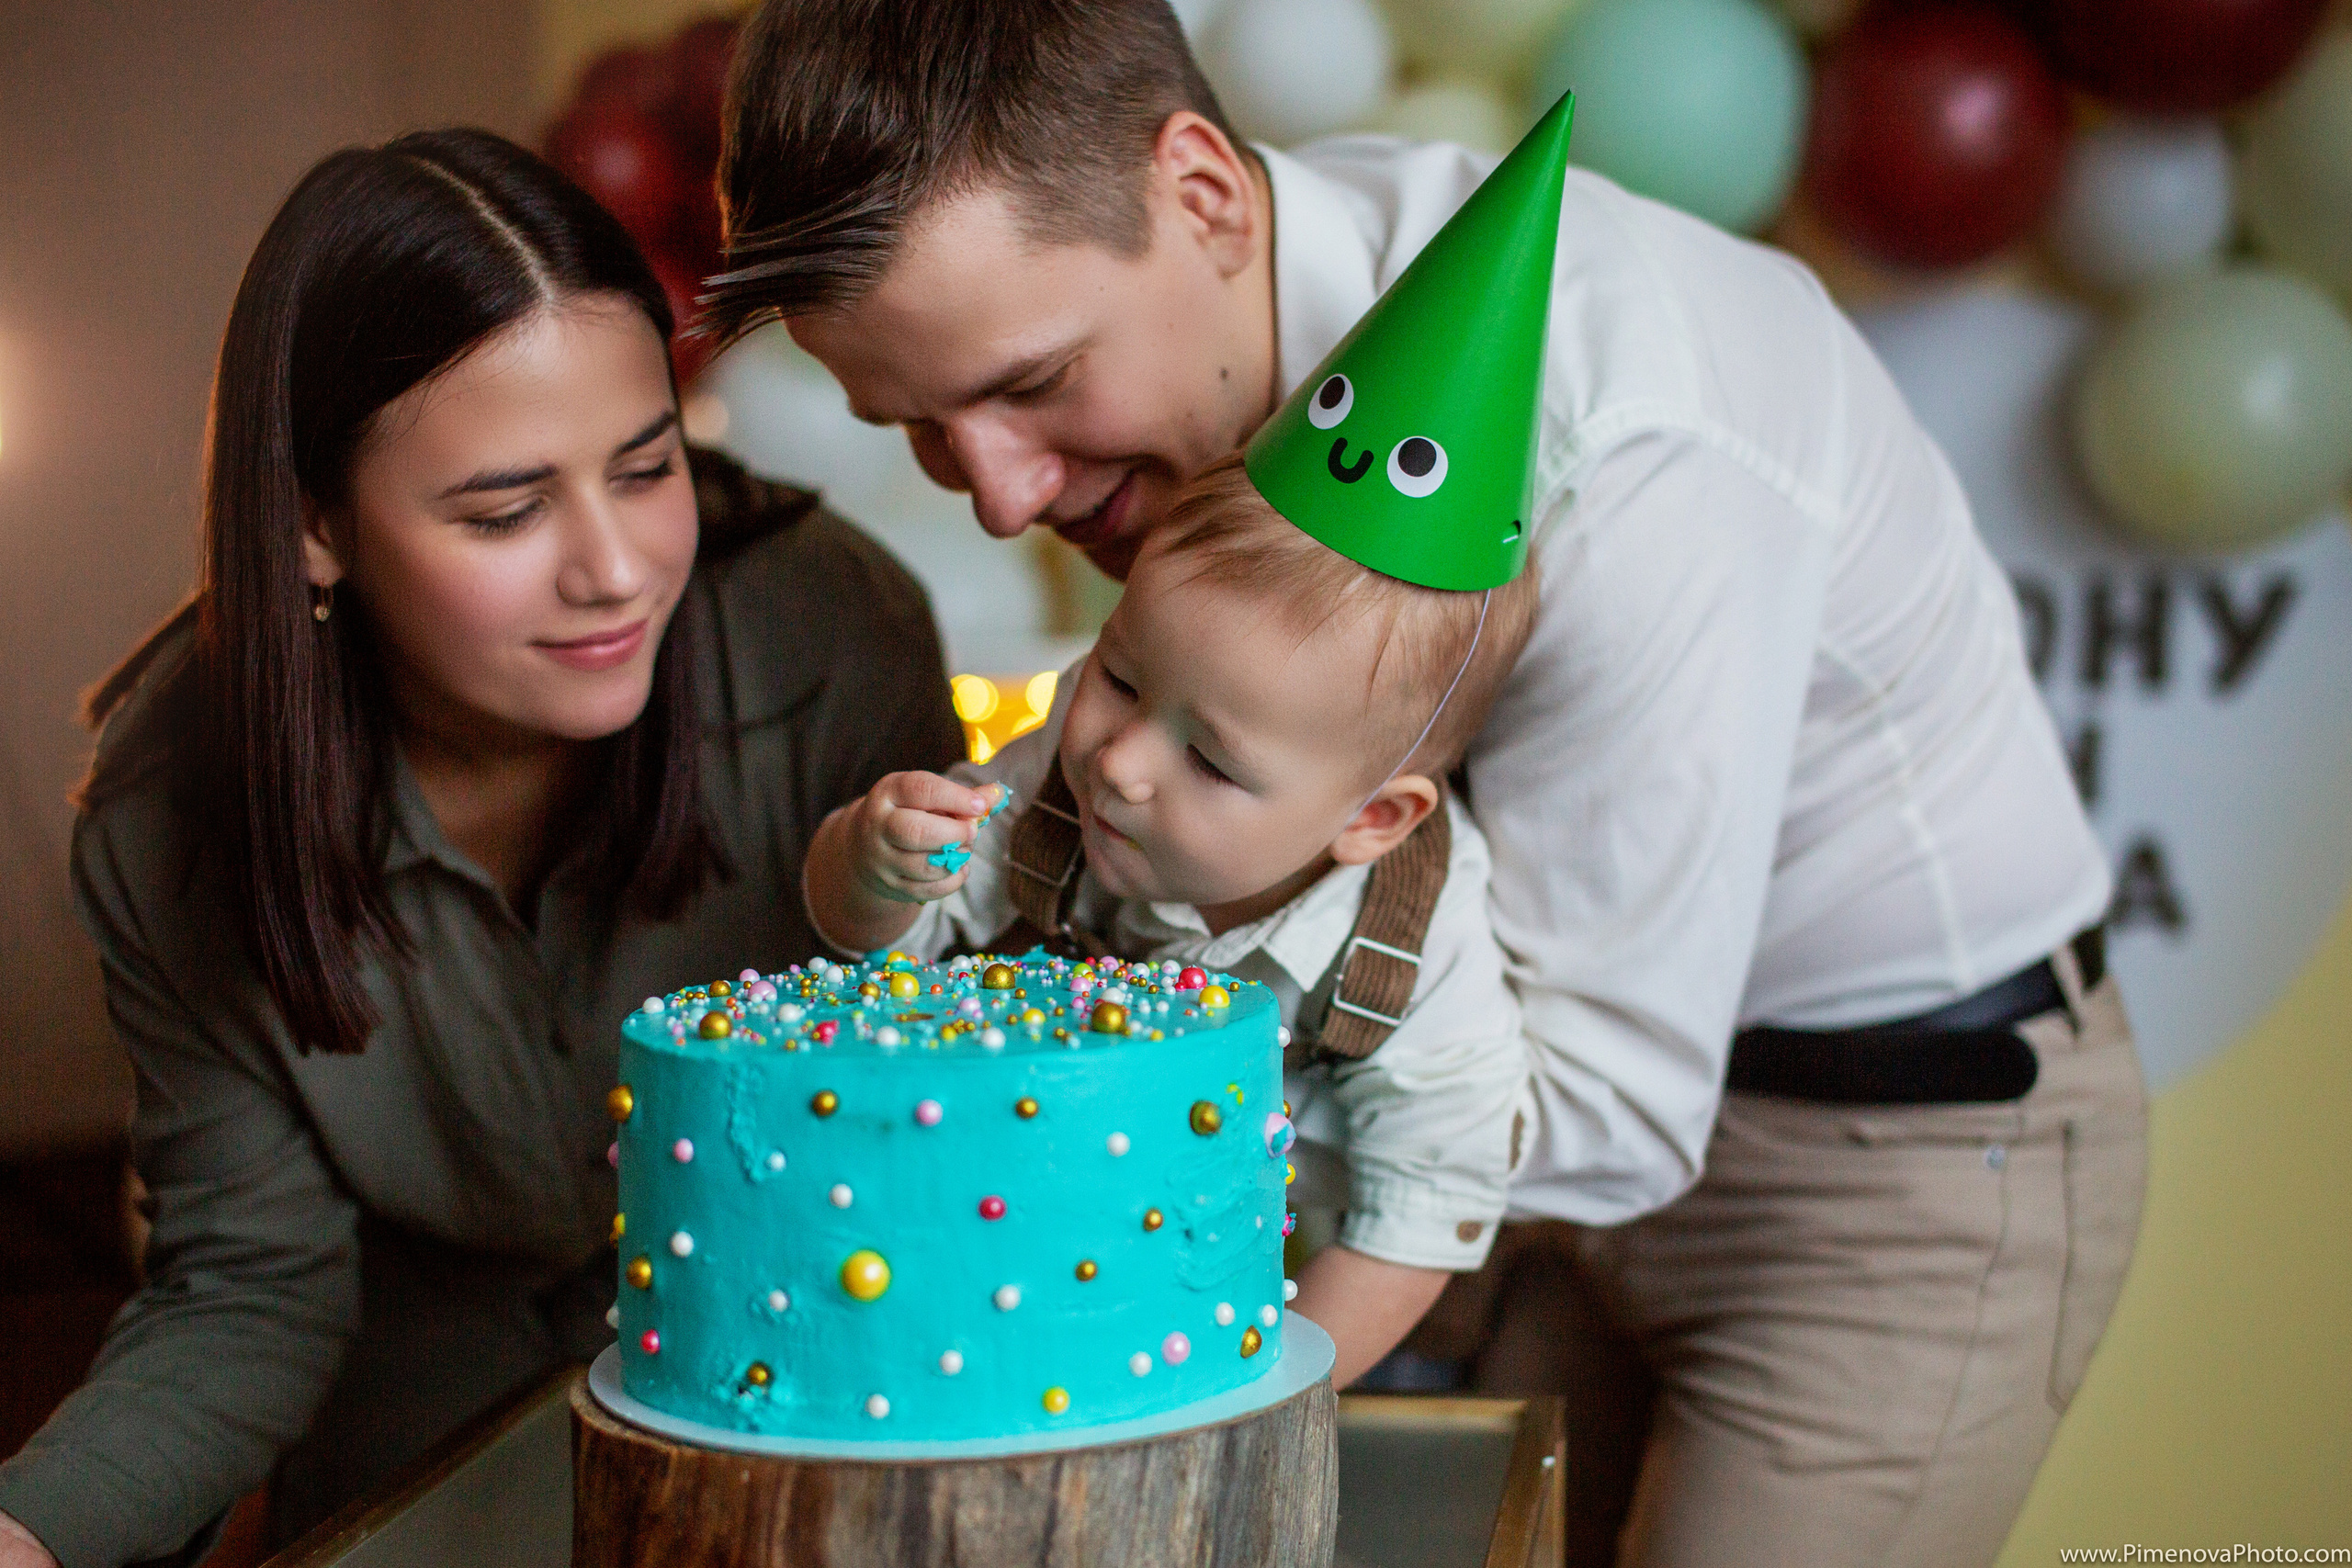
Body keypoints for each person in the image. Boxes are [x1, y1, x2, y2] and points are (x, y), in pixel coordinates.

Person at [706, 4, 2149, 1564]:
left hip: (1885, 1156)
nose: (997, 496)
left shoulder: (1629, 444)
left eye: (1035, 381)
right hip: (1482, 1155)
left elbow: (1605, 1097)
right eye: (916, 430)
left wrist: (1069, 1127)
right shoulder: (1213, 348)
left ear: (1202, 192)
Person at [0, 129, 959, 1568]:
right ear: (316, 524)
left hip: (801, 1403)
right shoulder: (164, 814)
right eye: (506, 509)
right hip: (414, 1462)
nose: (615, 569)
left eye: (647, 468)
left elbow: (933, 1149)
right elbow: (249, 1291)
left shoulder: (832, 631)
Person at [805, 454, 1542, 1387]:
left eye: (1210, 762)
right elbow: (876, 942)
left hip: (1279, 1285)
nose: (1118, 762)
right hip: (1026, 1234)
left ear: (1372, 819)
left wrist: (1248, 1393)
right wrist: (868, 865)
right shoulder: (1063, 782)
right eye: (1118, 676)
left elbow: (1417, 1220)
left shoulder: (1419, 954)